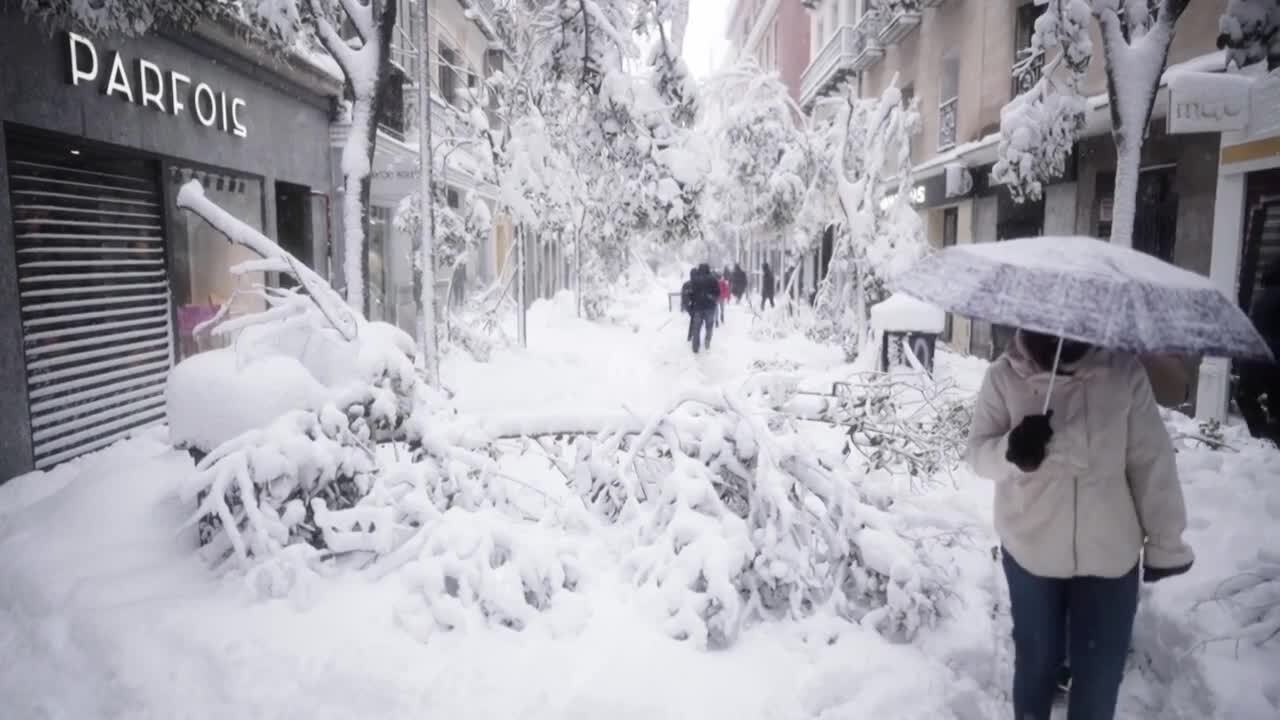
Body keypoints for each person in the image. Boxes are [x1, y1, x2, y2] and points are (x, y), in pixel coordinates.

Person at [967, 329, 1195, 720]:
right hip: (1030, 548)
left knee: (1100, 674)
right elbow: (977, 454)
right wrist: (1012, 449)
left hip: (1110, 554)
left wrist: (1164, 540)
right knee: (1037, 662)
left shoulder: (1124, 373)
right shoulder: (1003, 376)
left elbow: (1151, 462)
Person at [1235, 264, 1280, 444]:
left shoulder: (1261, 297)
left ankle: (1263, 436)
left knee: (1246, 396)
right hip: (1274, 358)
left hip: (1255, 356)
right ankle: (1272, 439)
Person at [687, 264, 719, 353]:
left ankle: (695, 347)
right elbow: (717, 293)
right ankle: (707, 341)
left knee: (696, 328)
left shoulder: (695, 280)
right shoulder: (713, 279)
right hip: (710, 307)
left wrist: (692, 303)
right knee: (709, 326)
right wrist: (711, 297)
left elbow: (691, 293)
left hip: (698, 307)